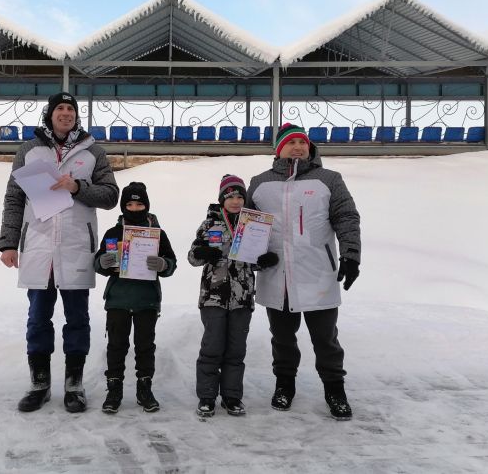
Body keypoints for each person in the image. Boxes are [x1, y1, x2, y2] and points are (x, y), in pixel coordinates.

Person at [0, 92, 119, 414]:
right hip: (38, 247)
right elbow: (14, 198)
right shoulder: (28, 150)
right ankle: (39, 383)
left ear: (76, 116)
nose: (65, 113)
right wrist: (9, 243)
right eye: (60, 108)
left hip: (76, 247)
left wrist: (78, 188)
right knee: (38, 319)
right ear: (50, 114)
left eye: (71, 109)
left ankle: (73, 385)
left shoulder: (93, 151)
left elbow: (110, 196)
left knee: (77, 319)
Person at [247, 123, 361, 420]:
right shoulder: (259, 183)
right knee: (282, 339)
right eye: (291, 142)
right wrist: (256, 257)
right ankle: (285, 385)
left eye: (303, 142)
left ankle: (335, 389)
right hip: (277, 278)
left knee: (325, 339)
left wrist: (351, 255)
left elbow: (346, 217)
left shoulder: (329, 179)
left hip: (318, 274)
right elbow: (249, 229)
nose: (298, 146)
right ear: (278, 149)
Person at [188, 174, 279, 417]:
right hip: (213, 297)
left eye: (240, 196)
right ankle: (207, 397)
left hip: (242, 298)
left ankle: (231, 397)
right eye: (231, 197)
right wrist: (203, 252)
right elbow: (192, 257)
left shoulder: (254, 225)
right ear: (222, 200)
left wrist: (266, 260)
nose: (236, 201)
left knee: (236, 350)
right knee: (212, 347)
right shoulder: (209, 224)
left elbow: (255, 261)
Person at [94, 182, 177, 414]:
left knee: (145, 346)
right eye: (129, 203)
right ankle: (114, 388)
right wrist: (102, 262)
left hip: (146, 301)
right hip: (118, 299)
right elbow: (98, 261)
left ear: (147, 205)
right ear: (123, 206)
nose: (134, 207)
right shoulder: (113, 233)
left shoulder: (157, 234)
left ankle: (145, 388)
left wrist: (163, 264)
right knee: (116, 346)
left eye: (139, 203)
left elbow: (172, 263)